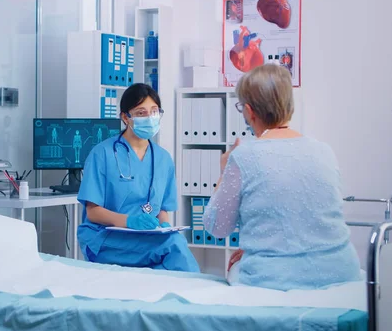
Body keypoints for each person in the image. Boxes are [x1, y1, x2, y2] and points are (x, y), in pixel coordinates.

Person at [203, 64, 361, 291]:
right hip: (343, 272)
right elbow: (307, 221)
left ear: (249, 111)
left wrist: (223, 171)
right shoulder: (323, 150)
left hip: (272, 280)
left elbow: (216, 227)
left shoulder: (244, 155)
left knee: (235, 270)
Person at [77, 83, 200, 272]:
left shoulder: (163, 158)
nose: (150, 118)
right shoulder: (102, 154)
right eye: (141, 113)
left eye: (154, 111)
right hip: (105, 238)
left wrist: (164, 225)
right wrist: (129, 221)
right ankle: (197, 297)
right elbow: (93, 212)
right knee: (173, 246)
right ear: (125, 117)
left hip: (146, 238)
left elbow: (162, 209)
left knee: (167, 260)